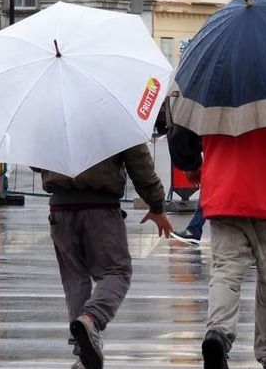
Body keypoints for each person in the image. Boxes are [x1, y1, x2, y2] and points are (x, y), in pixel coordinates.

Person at [167, 105, 266, 369]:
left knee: (226, 271)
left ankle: (218, 333)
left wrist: (193, 164)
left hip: (224, 190)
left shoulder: (209, 81)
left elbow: (181, 140)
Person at [38, 145, 174, 369]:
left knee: (74, 278)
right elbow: (138, 160)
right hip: (100, 206)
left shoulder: (49, 115)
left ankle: (84, 353)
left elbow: (37, 161)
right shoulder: (113, 114)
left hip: (60, 208)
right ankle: (91, 319)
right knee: (117, 271)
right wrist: (156, 204)